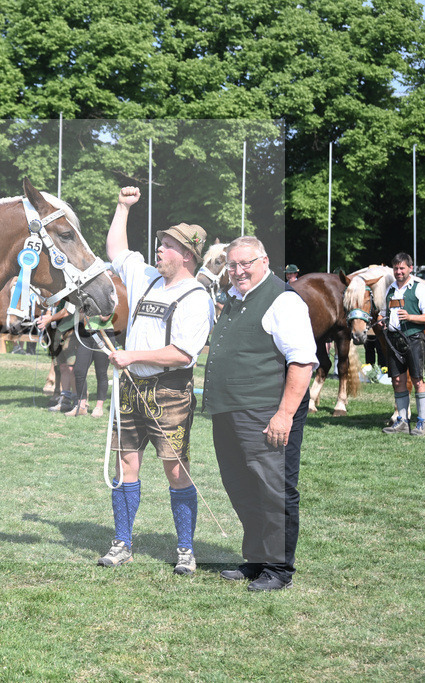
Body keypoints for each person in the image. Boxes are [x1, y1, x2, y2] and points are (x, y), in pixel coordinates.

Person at [99, 185, 214, 576]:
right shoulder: (147, 277)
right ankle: (122, 543)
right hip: (131, 388)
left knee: (176, 470)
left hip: (170, 392)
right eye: (161, 243)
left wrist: (132, 355)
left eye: (166, 245)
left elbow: (184, 353)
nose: (159, 249)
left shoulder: (197, 296)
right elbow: (116, 251)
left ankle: (185, 548)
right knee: (125, 465)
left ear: (187, 255)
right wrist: (122, 207)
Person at [203, 236, 316, 592]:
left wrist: (284, 414)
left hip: (266, 412)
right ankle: (256, 558)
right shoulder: (235, 299)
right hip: (231, 413)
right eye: (231, 265)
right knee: (242, 486)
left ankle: (278, 569)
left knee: (273, 488)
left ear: (264, 261)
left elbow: (302, 361)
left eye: (245, 263)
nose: (237, 271)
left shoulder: (283, 300)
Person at [378, 253, 425, 436]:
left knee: (418, 379)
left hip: (413, 338)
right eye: (396, 268)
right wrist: (382, 320)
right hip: (394, 339)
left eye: (402, 268)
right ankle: (402, 421)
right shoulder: (391, 290)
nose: (399, 271)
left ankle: (422, 423)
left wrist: (410, 317)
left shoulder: (420, 289)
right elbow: (383, 313)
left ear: (410, 268)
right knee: (397, 380)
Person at [68, 314, 116, 417]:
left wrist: (91, 309)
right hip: (86, 334)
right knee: (79, 371)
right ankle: (81, 405)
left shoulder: (111, 298)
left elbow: (104, 318)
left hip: (103, 334)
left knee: (101, 372)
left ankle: (99, 407)